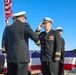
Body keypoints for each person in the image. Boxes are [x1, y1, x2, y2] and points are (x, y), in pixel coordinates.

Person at [4, 11, 40, 75]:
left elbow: (5, 43)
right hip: (22, 58)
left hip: (10, 58)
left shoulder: (8, 28)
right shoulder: (24, 25)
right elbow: (34, 37)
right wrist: (38, 31)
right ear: (23, 18)